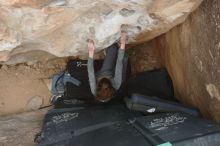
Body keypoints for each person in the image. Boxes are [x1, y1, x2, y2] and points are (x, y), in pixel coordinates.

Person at [87, 31, 127, 102]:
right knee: (124, 58)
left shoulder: (94, 90)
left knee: (112, 48)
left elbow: (90, 71)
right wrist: (123, 42)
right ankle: (115, 52)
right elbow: (119, 64)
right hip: (112, 75)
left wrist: (91, 50)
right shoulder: (116, 85)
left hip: (103, 73)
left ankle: (109, 55)